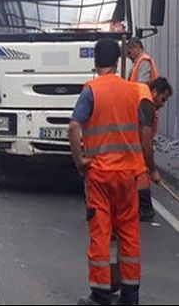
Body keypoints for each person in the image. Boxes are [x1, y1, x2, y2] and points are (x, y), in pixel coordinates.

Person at [70, 39, 160, 306]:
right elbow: (145, 135)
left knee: (101, 233)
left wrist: (79, 161)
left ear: (96, 62)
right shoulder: (134, 91)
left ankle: (100, 296)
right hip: (128, 176)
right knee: (129, 233)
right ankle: (130, 296)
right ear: (119, 62)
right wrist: (151, 168)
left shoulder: (91, 91)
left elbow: (74, 127)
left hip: (99, 175)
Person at [135, 77, 173, 222]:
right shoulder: (147, 104)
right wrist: (153, 170)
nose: (162, 105)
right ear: (155, 92)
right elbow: (146, 144)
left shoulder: (139, 90)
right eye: (162, 99)